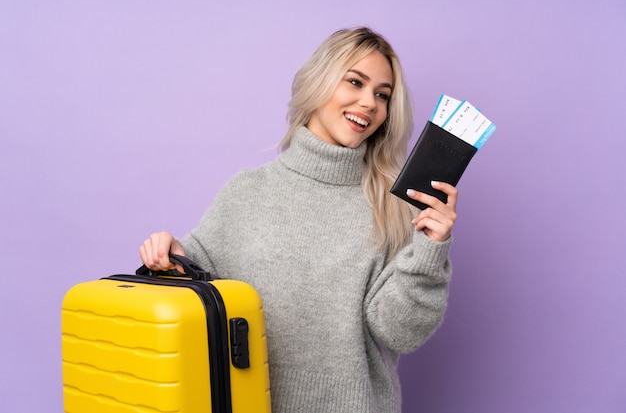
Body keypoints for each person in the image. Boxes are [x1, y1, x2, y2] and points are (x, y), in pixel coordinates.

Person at [140, 27, 457, 413]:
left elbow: (399, 332)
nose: (369, 102)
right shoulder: (247, 191)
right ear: (319, 82)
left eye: (382, 95)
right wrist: (170, 256)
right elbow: (202, 291)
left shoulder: (393, 208)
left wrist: (429, 252)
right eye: (355, 82)